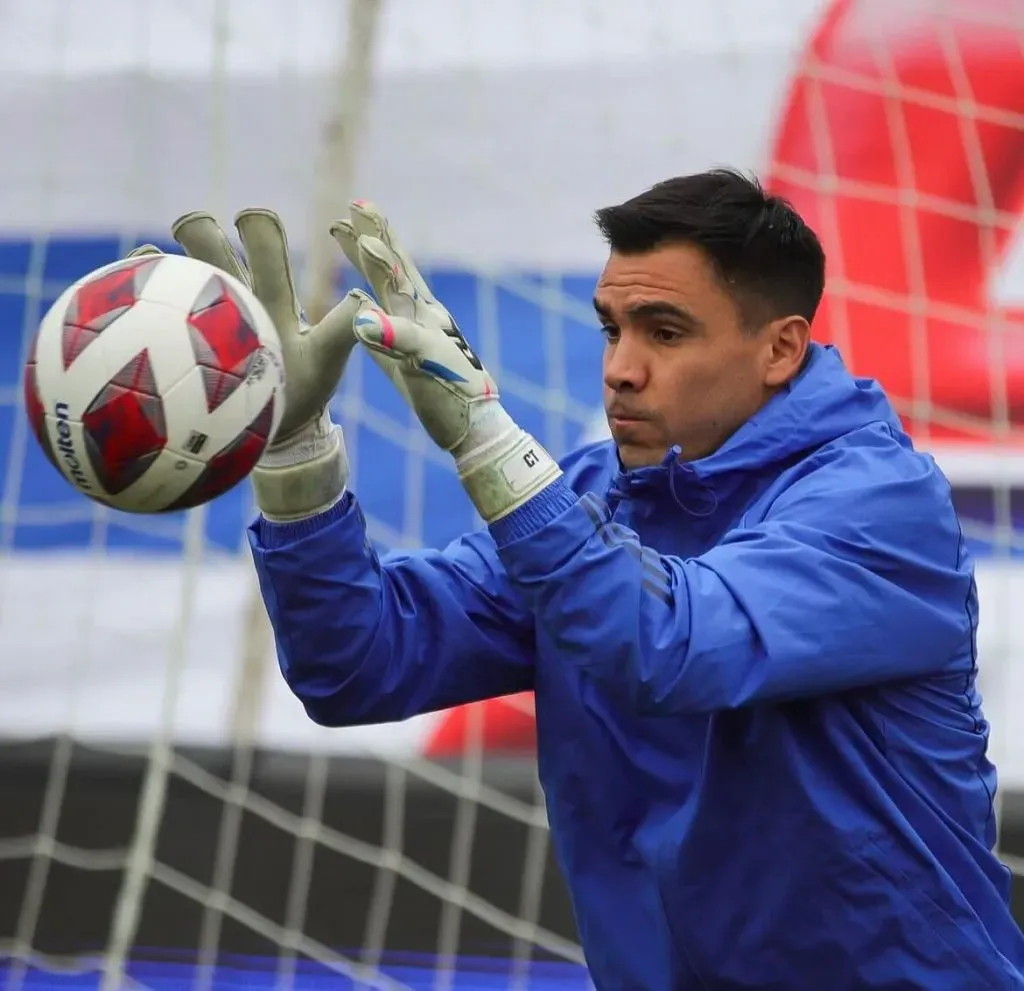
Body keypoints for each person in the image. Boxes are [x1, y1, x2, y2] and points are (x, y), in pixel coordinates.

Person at [154, 170, 1024, 989]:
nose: (621, 367)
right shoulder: (586, 495)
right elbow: (358, 662)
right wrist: (296, 458)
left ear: (780, 350)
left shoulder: (879, 503)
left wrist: (487, 442)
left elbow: (673, 645)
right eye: (613, 327)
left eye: (665, 332)